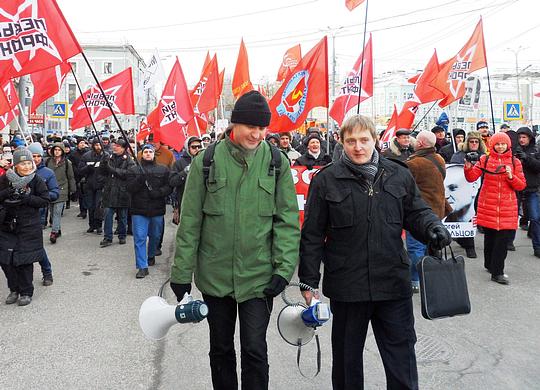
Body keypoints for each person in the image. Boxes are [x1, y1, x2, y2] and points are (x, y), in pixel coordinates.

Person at [298, 115, 451, 390]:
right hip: (347, 287)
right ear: (341, 142)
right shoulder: (326, 180)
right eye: (351, 141)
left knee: (402, 361)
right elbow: (311, 235)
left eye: (364, 140)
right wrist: (309, 280)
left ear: (375, 141)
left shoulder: (399, 173)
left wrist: (433, 227)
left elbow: (416, 211)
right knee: (347, 364)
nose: (358, 147)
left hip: (392, 284)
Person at [170, 90, 299, 390]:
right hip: (215, 278)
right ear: (233, 125)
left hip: (258, 277)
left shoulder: (276, 163)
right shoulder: (207, 160)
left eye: (262, 127)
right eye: (250, 126)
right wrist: (181, 274)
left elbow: (287, 221)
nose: (257, 134)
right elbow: (190, 222)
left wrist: (283, 268)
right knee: (221, 349)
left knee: (255, 350)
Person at [464, 132, 526, 284]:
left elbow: (521, 185)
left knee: (502, 241)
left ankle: (497, 272)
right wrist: (467, 168)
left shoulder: (515, 161)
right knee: (490, 238)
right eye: (497, 144)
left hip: (507, 206)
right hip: (488, 204)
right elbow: (471, 177)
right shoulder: (484, 159)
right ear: (492, 145)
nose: (500, 147)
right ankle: (489, 265)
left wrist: (511, 176)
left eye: (503, 144)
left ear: (508, 145)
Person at [0, 147, 49, 306]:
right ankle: (14, 289)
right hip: (7, 226)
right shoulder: (5, 179)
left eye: (29, 163)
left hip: (28, 226)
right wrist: (9, 192)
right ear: (15, 165)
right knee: (7, 261)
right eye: (23, 163)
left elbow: (44, 200)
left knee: (24, 261)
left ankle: (26, 292)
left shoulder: (36, 180)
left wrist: (26, 197)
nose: (27, 166)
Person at [406, 131, 452, 293]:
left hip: (420, 212)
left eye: (417, 140)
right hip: (437, 209)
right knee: (430, 245)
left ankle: (416, 279)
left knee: (415, 248)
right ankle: (431, 276)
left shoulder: (415, 163)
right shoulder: (439, 159)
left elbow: (404, 184)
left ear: (421, 144)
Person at [127, 144, 172, 278]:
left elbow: (169, 186)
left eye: (150, 151)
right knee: (139, 238)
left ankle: (151, 254)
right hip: (139, 210)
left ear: (153, 154)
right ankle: (142, 266)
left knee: (155, 235)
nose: (147, 154)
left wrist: (159, 193)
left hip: (156, 209)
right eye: (145, 151)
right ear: (141, 154)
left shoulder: (163, 169)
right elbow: (129, 188)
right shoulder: (134, 170)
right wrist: (140, 179)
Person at [449, 131, 487, 258]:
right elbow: (454, 173)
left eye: (476, 141)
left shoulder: (484, 157)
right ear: (467, 142)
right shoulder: (458, 155)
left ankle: (465, 240)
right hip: (463, 192)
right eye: (471, 141)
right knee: (466, 217)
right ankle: (469, 246)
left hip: (481, 191)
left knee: (475, 218)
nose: (474, 144)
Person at [29, 142, 59, 286]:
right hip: (19, 216)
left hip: (38, 216)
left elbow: (55, 193)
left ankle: (47, 272)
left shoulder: (47, 173)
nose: (35, 159)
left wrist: (42, 196)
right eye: (32, 156)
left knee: (37, 247)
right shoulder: (19, 171)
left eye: (37, 156)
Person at [99, 138, 135, 247]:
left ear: (123, 148)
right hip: (110, 191)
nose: (115, 147)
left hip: (123, 192)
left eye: (118, 146)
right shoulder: (109, 157)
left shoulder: (129, 160)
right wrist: (104, 163)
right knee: (108, 215)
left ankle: (122, 235)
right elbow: (102, 171)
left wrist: (113, 170)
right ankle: (107, 237)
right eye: (114, 145)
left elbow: (129, 174)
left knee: (122, 216)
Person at [514, 126, 540, 257]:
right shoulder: (513, 150)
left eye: (524, 137)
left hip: (531, 189)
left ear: (529, 138)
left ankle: (537, 246)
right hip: (516, 188)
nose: (521, 139)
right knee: (512, 216)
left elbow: (538, 167)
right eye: (519, 137)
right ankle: (508, 242)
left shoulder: (535, 150)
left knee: (535, 218)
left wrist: (527, 158)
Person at [45, 142, 76, 244]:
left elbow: (70, 177)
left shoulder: (67, 163)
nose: (57, 152)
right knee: (53, 212)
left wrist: (73, 190)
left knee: (58, 212)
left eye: (59, 150)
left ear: (62, 151)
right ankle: (57, 229)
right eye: (55, 150)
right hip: (50, 189)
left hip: (62, 189)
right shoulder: (48, 161)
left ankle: (53, 233)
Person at [169, 136, 202, 223]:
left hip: (201, 201)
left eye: (199, 146)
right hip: (184, 201)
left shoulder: (205, 161)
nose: (197, 149)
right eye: (194, 147)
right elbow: (172, 181)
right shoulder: (179, 163)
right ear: (188, 148)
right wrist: (185, 172)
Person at [79, 138, 107, 234]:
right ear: (93, 146)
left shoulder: (106, 156)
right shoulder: (86, 156)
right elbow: (80, 170)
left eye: (100, 145)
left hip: (101, 185)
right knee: (90, 206)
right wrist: (88, 168)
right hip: (89, 185)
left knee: (98, 206)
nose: (98, 147)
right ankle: (92, 225)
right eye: (96, 145)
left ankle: (99, 225)